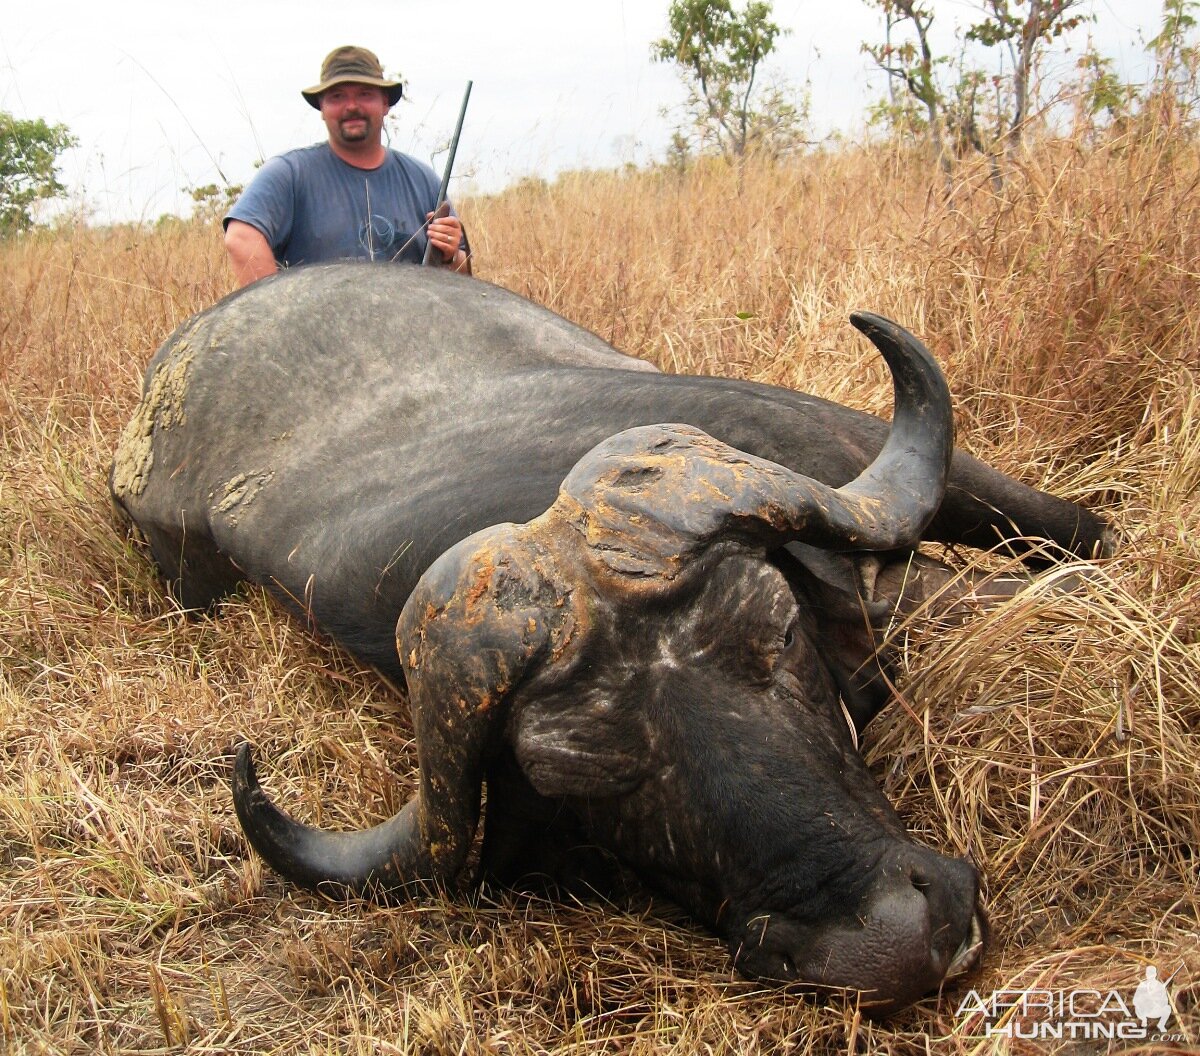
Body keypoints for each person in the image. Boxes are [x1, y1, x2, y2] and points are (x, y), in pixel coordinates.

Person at [224, 46, 470, 286]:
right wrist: (279, 316)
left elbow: (465, 274)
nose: (352, 106)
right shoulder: (288, 173)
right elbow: (240, 238)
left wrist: (449, 255)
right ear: (322, 107)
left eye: (365, 94)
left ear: (385, 104)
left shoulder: (423, 180)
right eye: (337, 97)